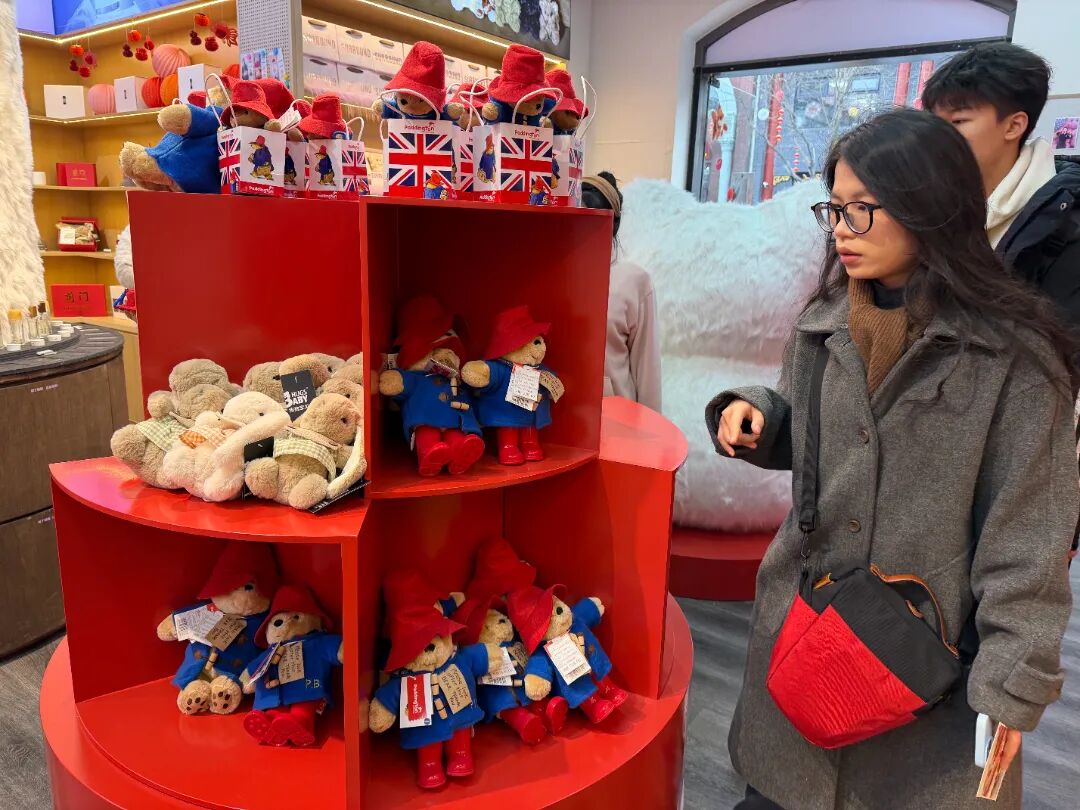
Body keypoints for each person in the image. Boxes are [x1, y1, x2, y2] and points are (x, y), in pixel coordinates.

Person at [706, 109, 1078, 810]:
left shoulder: (1015, 360)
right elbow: (816, 440)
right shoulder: (821, 325)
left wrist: (1012, 686)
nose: (841, 229)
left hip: (924, 665)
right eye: (834, 209)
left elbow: (1028, 543)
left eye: (863, 209)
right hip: (805, 632)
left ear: (931, 207)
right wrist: (757, 414)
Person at [922, 42, 1080, 326]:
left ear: (1013, 126)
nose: (937, 137)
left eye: (957, 121)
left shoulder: (1067, 221)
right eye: (934, 122)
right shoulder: (928, 203)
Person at [581, 172, 662, 412]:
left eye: (592, 219)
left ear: (613, 223)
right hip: (561, 417)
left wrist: (651, 429)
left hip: (618, 418)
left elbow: (647, 370)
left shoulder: (634, 282)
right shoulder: (555, 277)